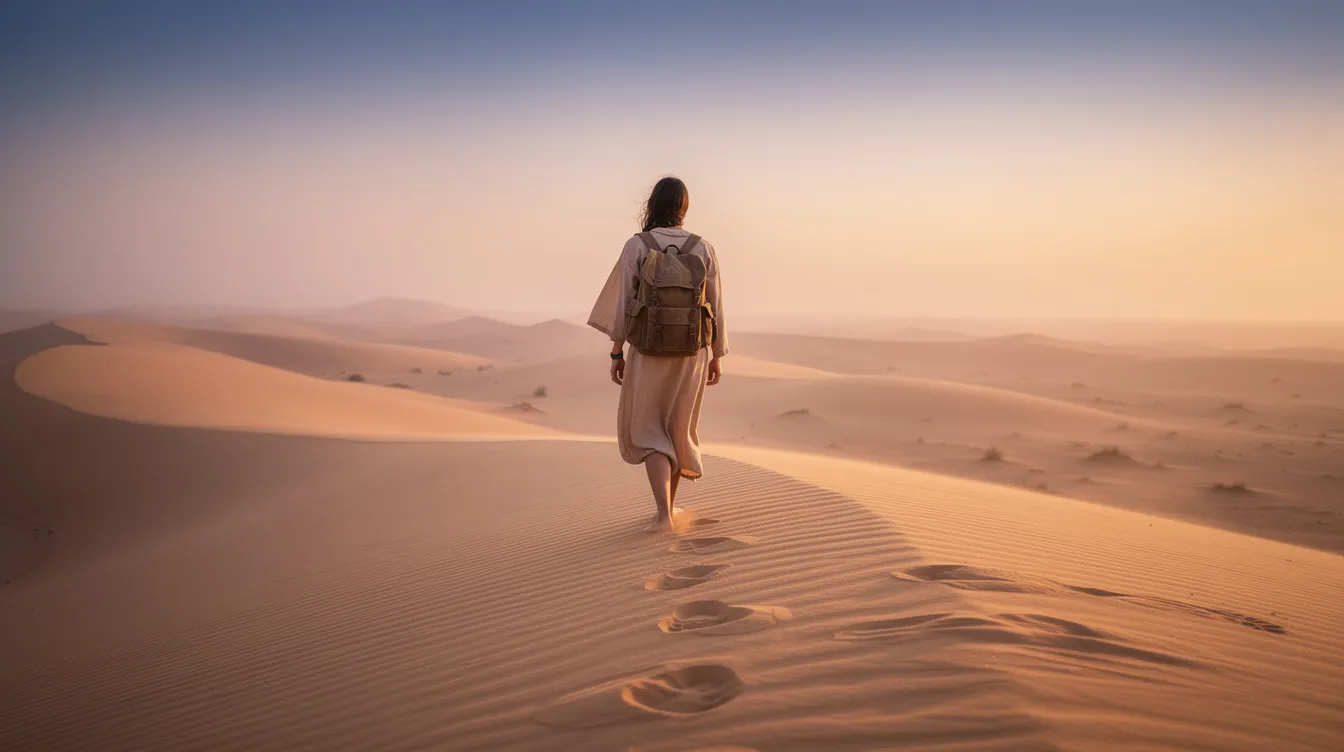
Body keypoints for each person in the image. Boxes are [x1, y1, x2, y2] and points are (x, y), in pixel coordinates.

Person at [587, 176, 728, 532]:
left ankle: (663, 514)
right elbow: (716, 305)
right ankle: (671, 507)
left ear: (653, 204)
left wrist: (616, 352)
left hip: (648, 351)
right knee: (678, 427)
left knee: (650, 431)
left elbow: (622, 305)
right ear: (684, 208)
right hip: (691, 353)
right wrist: (716, 355)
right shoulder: (703, 248)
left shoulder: (638, 245)